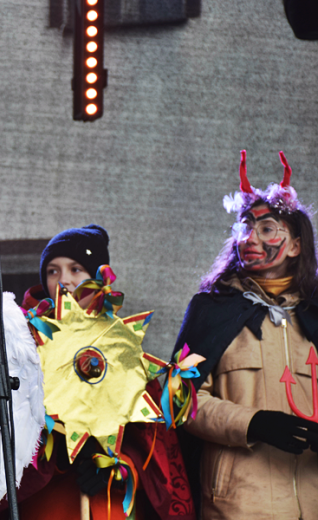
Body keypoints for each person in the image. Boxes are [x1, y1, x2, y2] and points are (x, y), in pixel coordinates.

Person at [7, 225, 195, 520]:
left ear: (98, 277)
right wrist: (58, 453)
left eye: (76, 269)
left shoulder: (123, 346)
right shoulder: (23, 343)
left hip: (109, 505)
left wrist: (119, 467)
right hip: (49, 504)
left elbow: (153, 444)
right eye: (53, 271)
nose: (64, 280)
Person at [174, 151, 318, 519]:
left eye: (266, 228)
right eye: (244, 228)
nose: (250, 238)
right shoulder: (212, 310)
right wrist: (253, 424)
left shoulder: (316, 315)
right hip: (238, 506)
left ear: (296, 244)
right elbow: (178, 398)